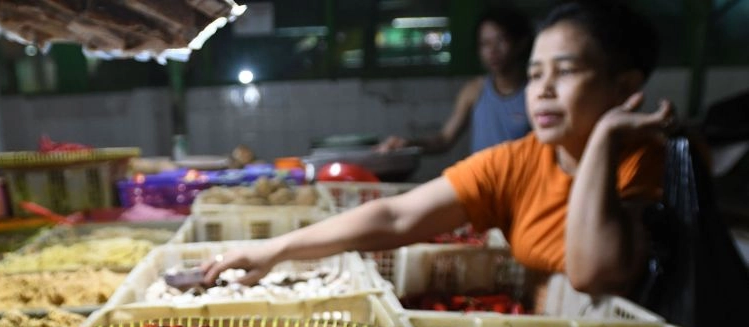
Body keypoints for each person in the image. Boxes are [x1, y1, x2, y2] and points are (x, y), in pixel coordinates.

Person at [205, 0, 672, 299]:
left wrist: (606, 139)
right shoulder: (519, 160)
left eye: (565, 71)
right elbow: (396, 216)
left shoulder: (645, 158)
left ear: (624, 86)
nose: (543, 90)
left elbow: (595, 274)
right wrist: (276, 249)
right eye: (535, 74)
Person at [378, 5, 533, 155]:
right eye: (485, 43)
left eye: (501, 40)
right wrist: (408, 144)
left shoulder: (534, 92)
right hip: (481, 181)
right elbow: (444, 140)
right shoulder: (475, 90)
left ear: (521, 43)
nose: (492, 50)